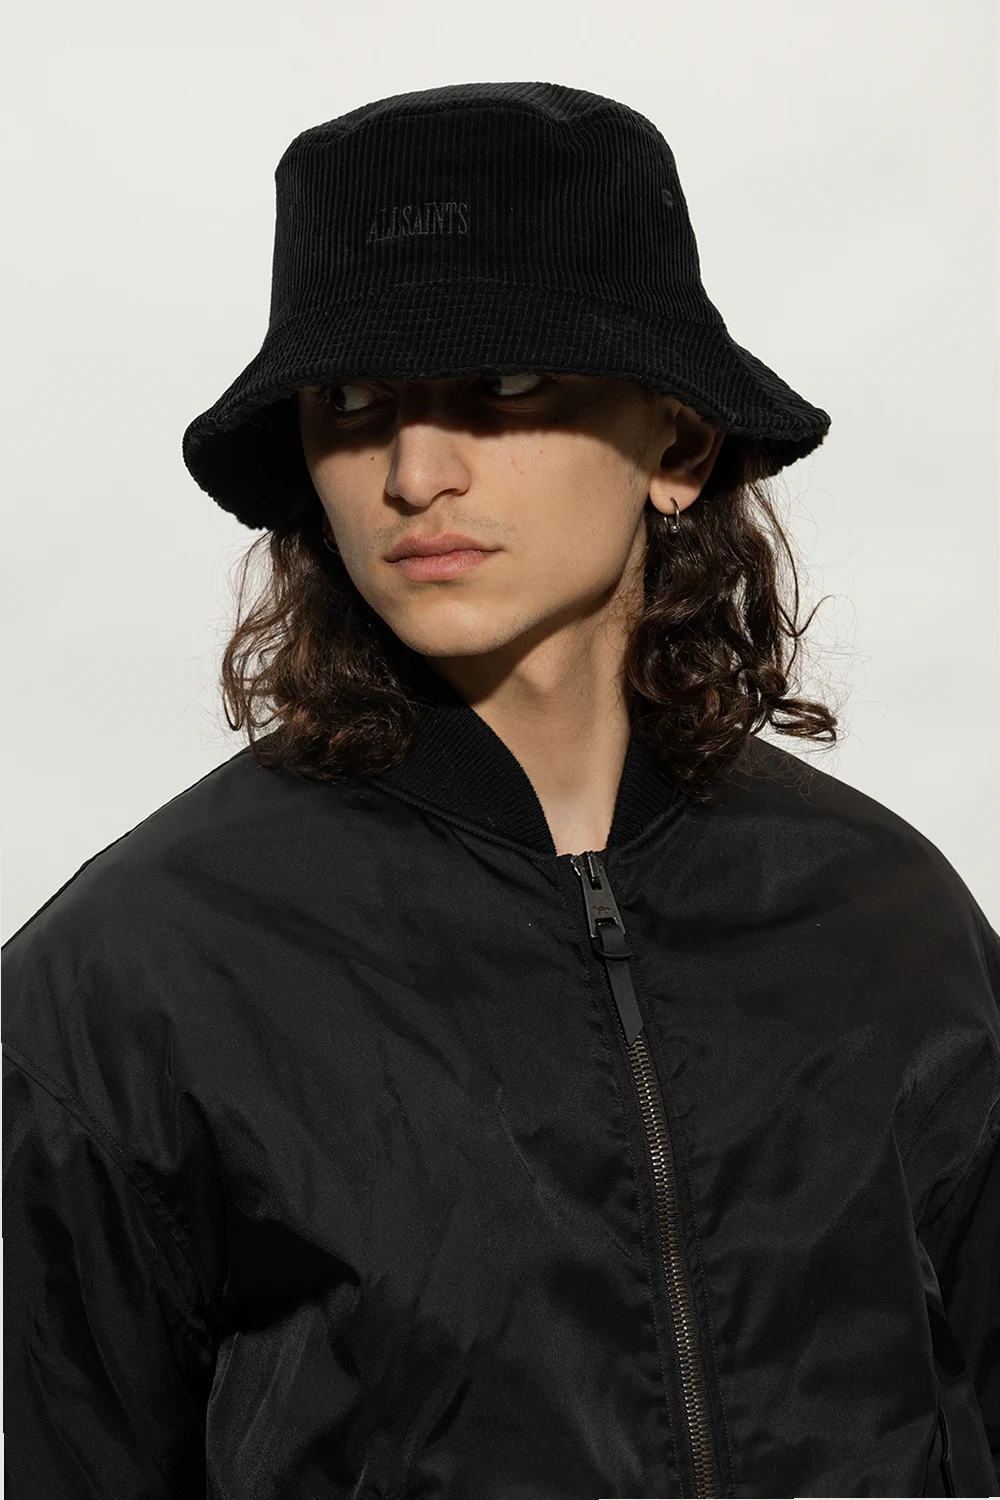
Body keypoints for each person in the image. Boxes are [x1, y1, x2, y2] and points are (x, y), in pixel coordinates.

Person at [3, 81, 997, 1500]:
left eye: (507, 384)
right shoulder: (130, 988)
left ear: (677, 445)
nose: (416, 473)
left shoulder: (896, 931)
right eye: (354, 404)